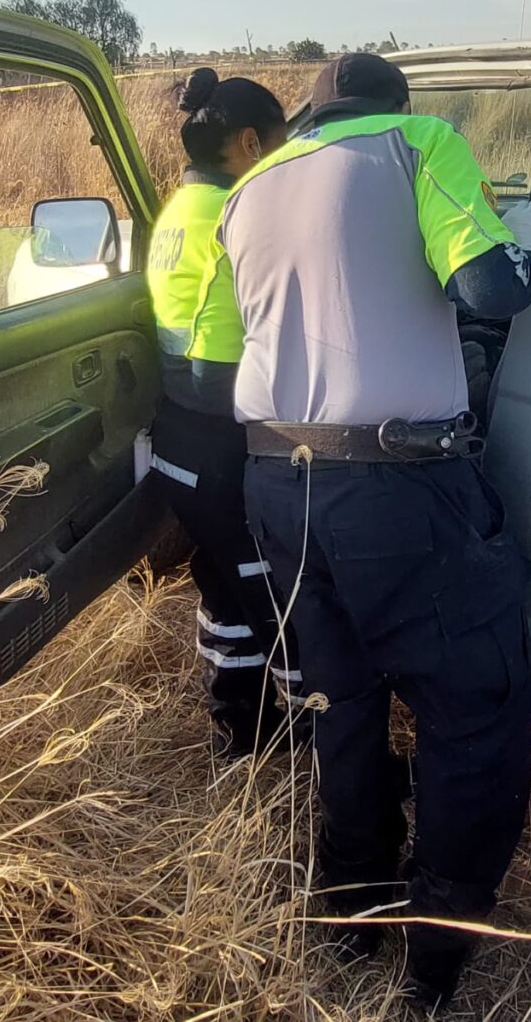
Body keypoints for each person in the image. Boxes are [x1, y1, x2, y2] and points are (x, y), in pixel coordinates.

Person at [213, 52, 531, 1005]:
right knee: (470, 710)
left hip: (277, 480)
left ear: (316, 115)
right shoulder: (421, 144)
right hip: (396, 485)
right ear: (393, 105)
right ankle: (436, 955)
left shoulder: (251, 185)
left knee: (343, 702)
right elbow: (491, 287)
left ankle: (352, 911)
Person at [147, 67, 298, 756]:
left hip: (180, 437)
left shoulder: (176, 211)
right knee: (278, 599)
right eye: (278, 147)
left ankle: (239, 730)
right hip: (225, 440)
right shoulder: (241, 214)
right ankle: (309, 738)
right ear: (246, 142)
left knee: (225, 584)